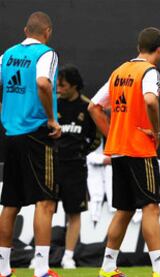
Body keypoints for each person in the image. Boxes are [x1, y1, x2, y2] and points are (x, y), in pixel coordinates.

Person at [88, 27, 160, 277]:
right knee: (151, 207)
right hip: (139, 149)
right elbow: (151, 101)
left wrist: (114, 133)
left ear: (139, 46)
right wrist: (156, 131)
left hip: (118, 150)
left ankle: (107, 267)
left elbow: (94, 107)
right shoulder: (149, 71)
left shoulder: (119, 71)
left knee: (125, 209)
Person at [0, 11, 61, 277]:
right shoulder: (46, 54)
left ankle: (2, 267)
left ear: (26, 30)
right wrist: (51, 119)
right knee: (45, 201)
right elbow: (43, 84)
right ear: (47, 32)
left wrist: (7, 111)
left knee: (10, 203)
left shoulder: (6, 55)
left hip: (10, 133)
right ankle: (41, 268)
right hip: (37, 133)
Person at [56, 65, 101, 268]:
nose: (58, 88)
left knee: (74, 212)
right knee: (45, 208)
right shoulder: (52, 105)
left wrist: (82, 152)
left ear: (74, 86)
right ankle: (39, 255)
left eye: (62, 85)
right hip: (53, 165)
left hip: (75, 167)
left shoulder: (87, 106)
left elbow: (97, 137)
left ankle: (68, 256)